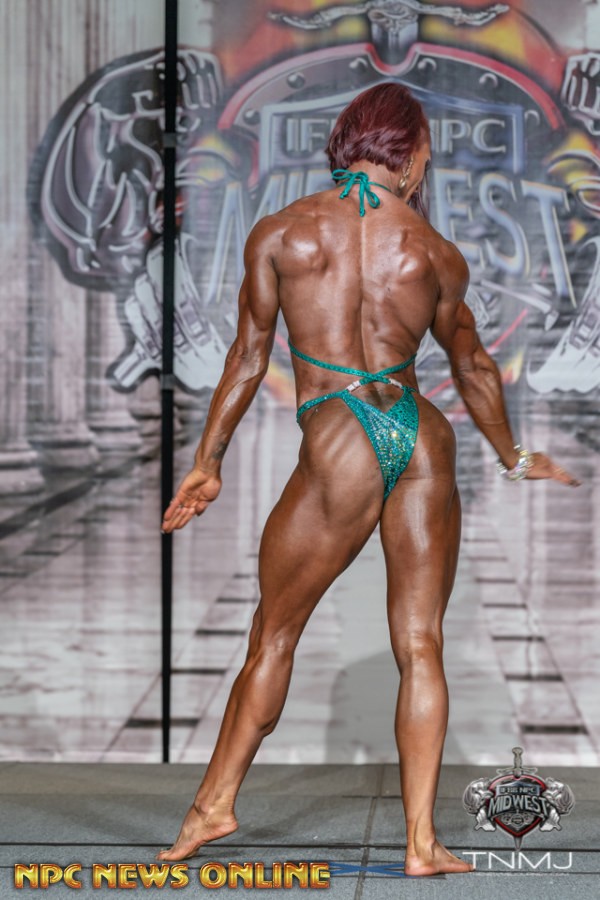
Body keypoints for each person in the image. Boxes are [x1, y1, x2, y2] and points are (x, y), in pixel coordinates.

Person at [158, 83, 579, 876]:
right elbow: (474, 368)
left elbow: (247, 357)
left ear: (345, 142)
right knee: (421, 645)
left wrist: (208, 461)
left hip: (342, 435)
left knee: (274, 636)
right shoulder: (433, 252)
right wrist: (514, 456)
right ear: (411, 157)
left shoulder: (283, 233)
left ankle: (214, 805)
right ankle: (420, 843)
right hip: (421, 435)